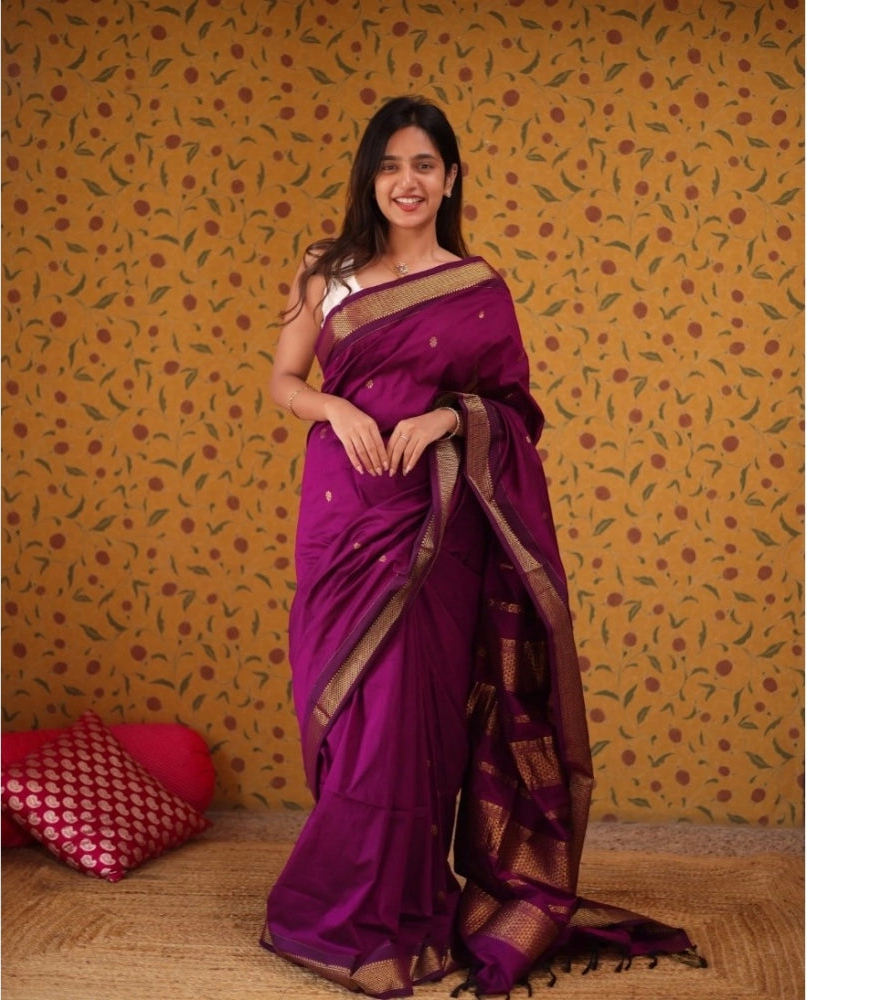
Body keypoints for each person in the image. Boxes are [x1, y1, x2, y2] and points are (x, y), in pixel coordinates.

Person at [260, 95, 698, 998]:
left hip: (439, 521)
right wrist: (337, 408)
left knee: (417, 719)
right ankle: (336, 908)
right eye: (391, 165)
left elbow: (514, 412)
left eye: (424, 165)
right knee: (355, 715)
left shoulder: (478, 288)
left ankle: (408, 908)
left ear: (450, 178)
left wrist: (446, 419)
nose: (407, 182)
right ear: (370, 178)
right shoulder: (326, 269)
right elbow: (283, 379)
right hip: (347, 515)